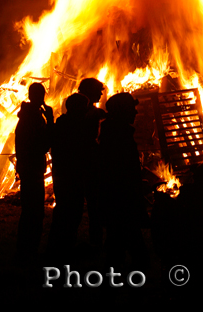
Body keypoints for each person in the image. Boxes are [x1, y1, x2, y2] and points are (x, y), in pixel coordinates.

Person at [99, 92, 148, 268]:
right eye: (132, 109)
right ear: (122, 111)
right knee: (125, 238)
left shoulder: (114, 131)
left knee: (118, 240)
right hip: (122, 198)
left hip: (119, 199)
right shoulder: (118, 135)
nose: (135, 113)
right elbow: (122, 170)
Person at [48, 92, 90, 257]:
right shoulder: (71, 126)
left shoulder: (66, 124)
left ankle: (61, 248)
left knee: (68, 212)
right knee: (68, 212)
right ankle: (60, 250)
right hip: (69, 175)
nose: (86, 111)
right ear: (76, 108)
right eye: (84, 108)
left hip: (66, 174)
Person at [14, 82, 53, 257]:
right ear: (33, 96)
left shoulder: (29, 115)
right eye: (39, 95)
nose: (42, 98)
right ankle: (28, 250)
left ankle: (25, 248)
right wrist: (50, 121)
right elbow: (44, 144)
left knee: (30, 210)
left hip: (28, 167)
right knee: (34, 212)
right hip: (32, 167)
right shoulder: (34, 118)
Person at [78, 77, 107, 246]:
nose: (101, 93)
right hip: (84, 163)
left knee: (95, 205)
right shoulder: (84, 110)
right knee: (92, 204)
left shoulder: (90, 109)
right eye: (99, 90)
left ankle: (95, 240)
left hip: (88, 161)